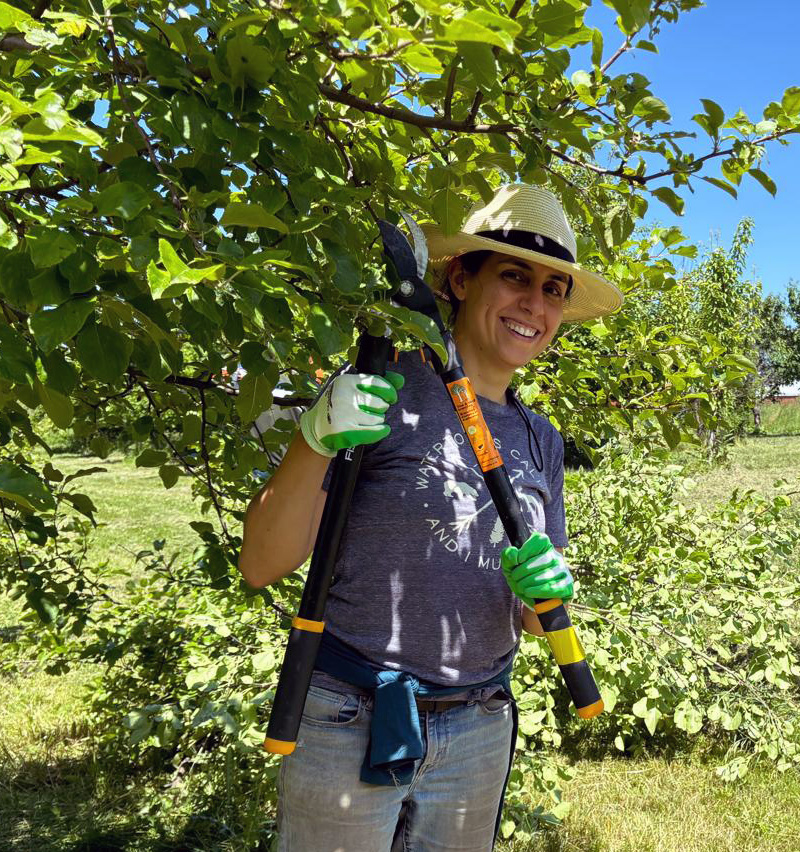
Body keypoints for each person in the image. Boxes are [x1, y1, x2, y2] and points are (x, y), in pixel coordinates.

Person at [238, 184, 621, 851]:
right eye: (514, 275)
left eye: (554, 288)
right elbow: (261, 564)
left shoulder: (540, 440)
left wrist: (551, 589)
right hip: (350, 715)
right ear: (459, 278)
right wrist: (311, 439)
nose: (535, 303)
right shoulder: (380, 392)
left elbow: (535, 620)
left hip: (479, 724)